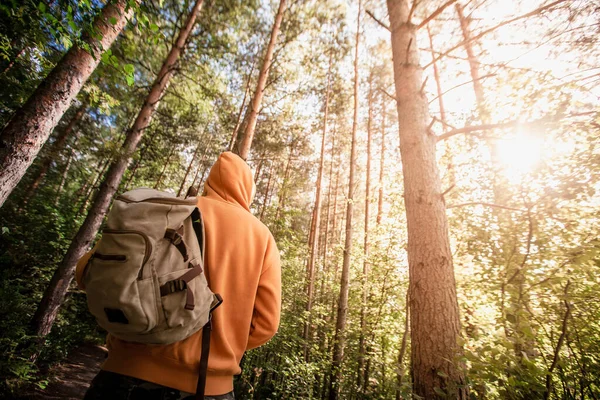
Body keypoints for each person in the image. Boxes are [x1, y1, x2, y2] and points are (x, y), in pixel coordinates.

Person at [76, 151, 282, 400]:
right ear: (248, 189)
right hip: (207, 387)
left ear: (211, 181)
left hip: (124, 373)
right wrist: (225, 341)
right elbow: (266, 325)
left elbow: (86, 271)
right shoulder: (262, 236)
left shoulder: (172, 210)